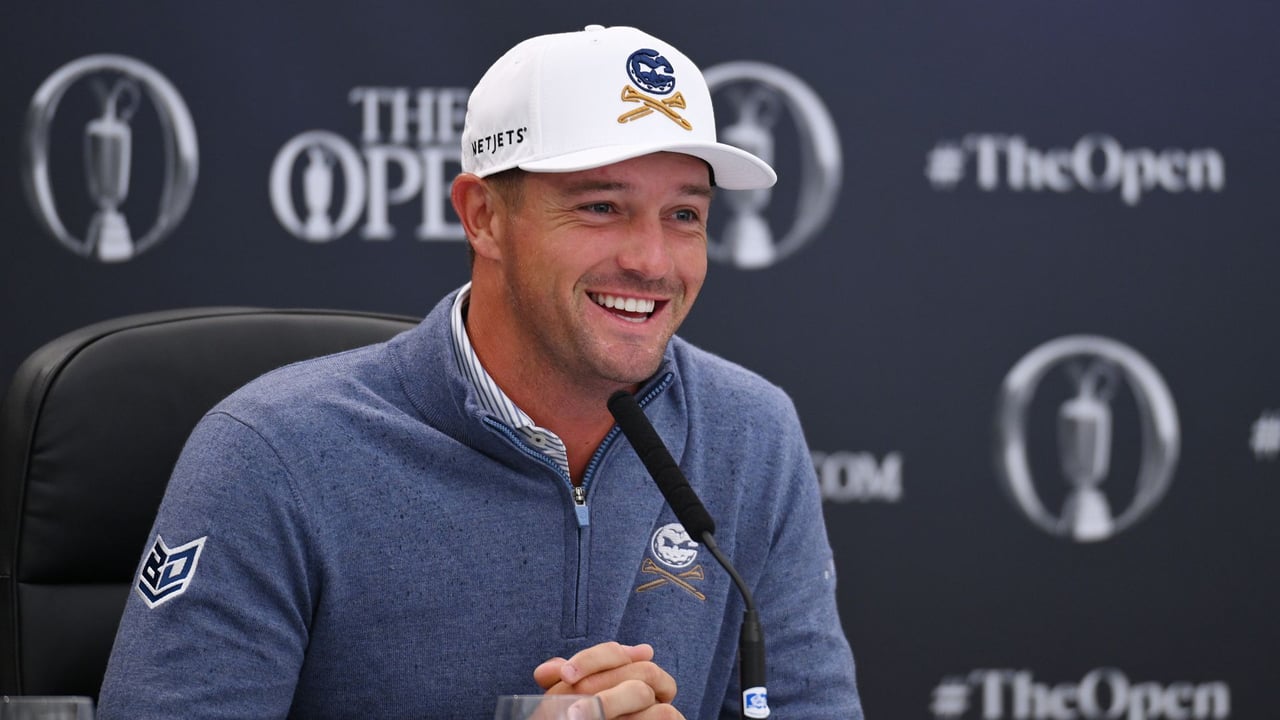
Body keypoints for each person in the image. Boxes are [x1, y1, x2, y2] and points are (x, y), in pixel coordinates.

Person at [97, 24, 863, 719]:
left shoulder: (751, 432)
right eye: (600, 207)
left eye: (684, 215)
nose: (653, 261)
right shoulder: (268, 453)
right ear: (483, 217)